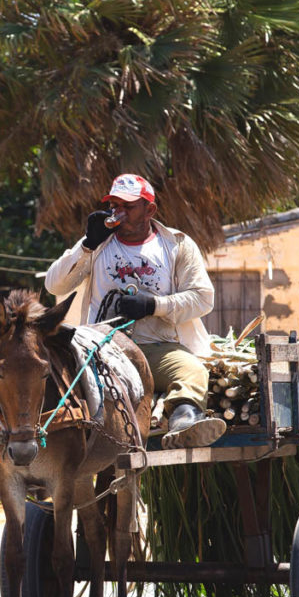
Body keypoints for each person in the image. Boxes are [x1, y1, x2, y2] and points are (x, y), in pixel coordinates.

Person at [44, 173, 226, 449]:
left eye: (128, 207)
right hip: (101, 348)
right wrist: (86, 245)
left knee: (192, 370)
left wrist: (153, 305)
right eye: (114, 205)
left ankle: (183, 423)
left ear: (149, 210)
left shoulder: (177, 245)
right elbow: (54, 283)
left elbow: (203, 298)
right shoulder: (98, 243)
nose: (118, 213)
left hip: (156, 347)